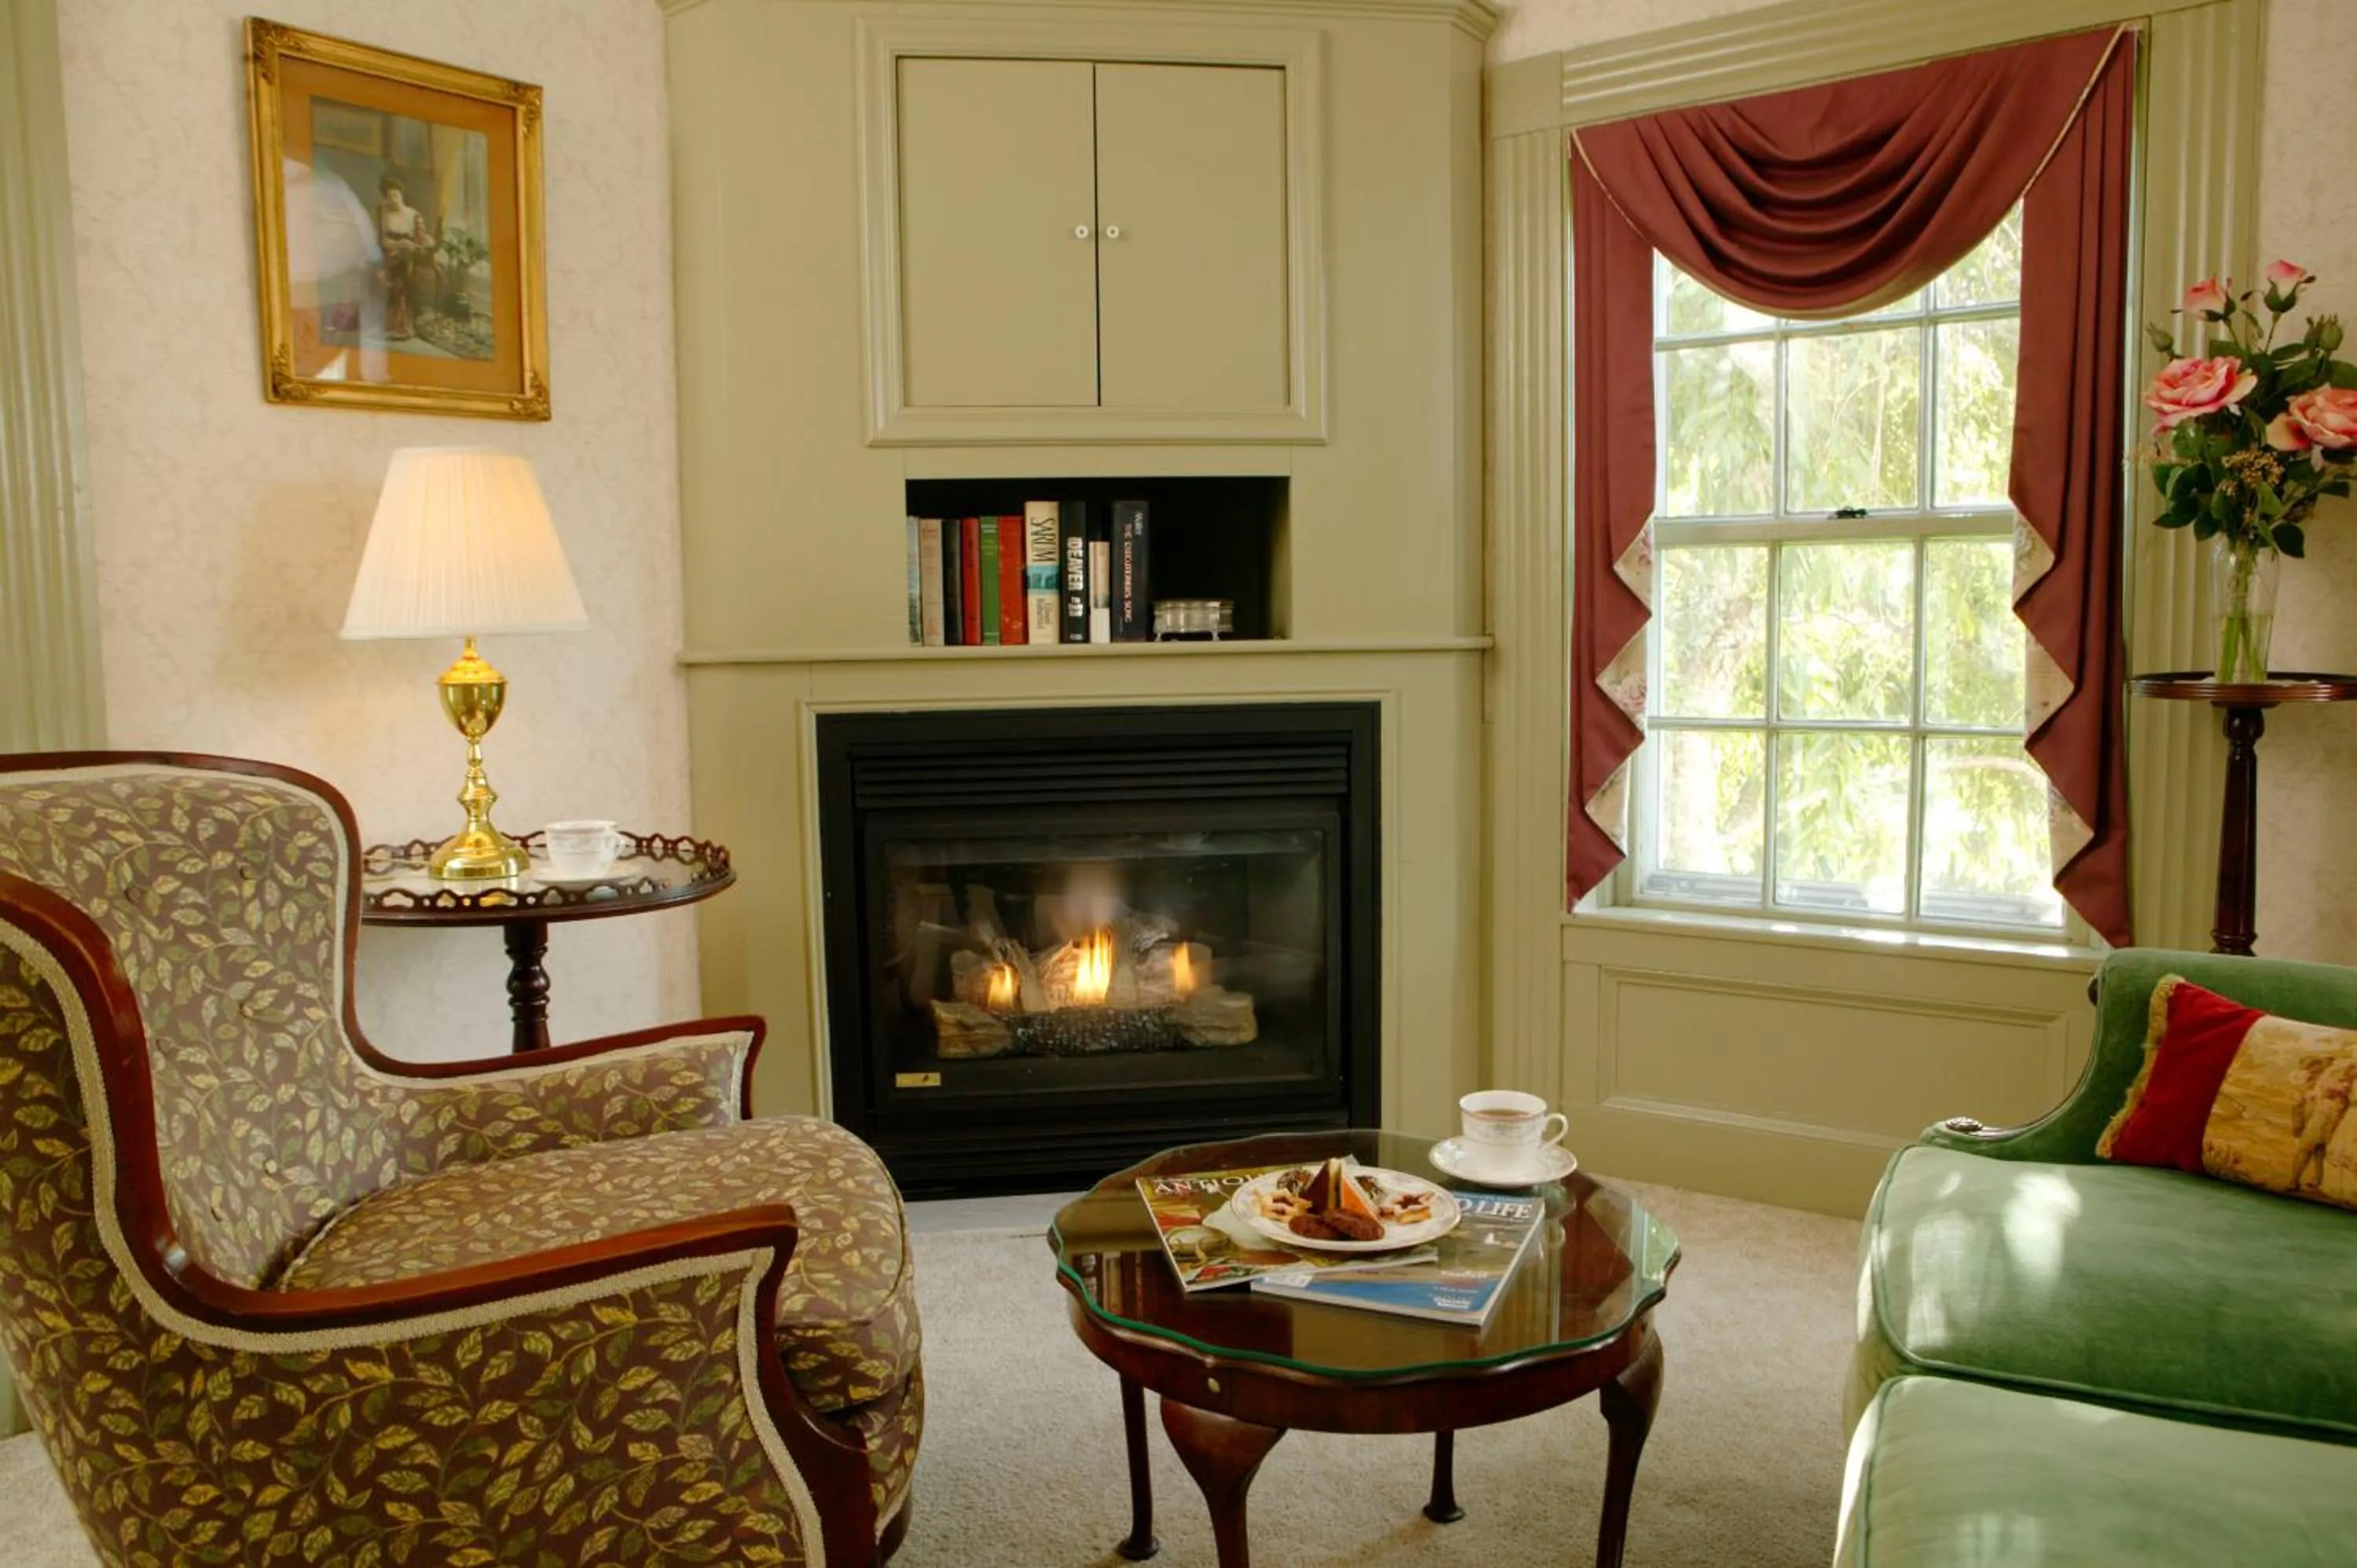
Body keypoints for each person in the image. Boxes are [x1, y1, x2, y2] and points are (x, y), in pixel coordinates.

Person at [372, 174, 434, 340]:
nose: (393, 200)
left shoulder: (413, 215)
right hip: (390, 253)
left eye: (396, 195)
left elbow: (421, 239)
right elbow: (383, 241)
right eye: (389, 196)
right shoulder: (385, 215)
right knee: (395, 271)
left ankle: (402, 326)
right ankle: (395, 325)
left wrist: (423, 241)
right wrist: (402, 244)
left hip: (409, 256)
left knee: (406, 271)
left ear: (401, 195)